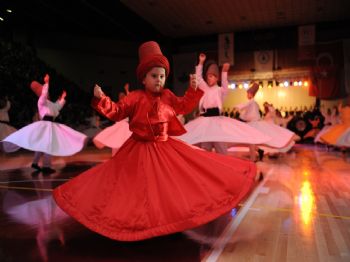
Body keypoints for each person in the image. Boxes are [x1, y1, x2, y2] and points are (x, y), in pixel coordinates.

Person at [53, 41, 258, 242]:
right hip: (139, 149)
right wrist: (102, 99)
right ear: (143, 78)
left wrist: (193, 91)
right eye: (154, 76)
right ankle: (142, 221)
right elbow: (116, 112)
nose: (159, 80)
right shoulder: (134, 98)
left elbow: (183, 106)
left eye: (162, 76)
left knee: (170, 185)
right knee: (136, 188)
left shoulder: (167, 96)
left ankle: (170, 219)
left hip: (164, 147)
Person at [178, 53, 270, 157]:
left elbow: (225, 86)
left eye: (212, 76)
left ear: (216, 78)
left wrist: (224, 72)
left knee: (220, 147)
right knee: (205, 147)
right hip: (205, 121)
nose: (209, 79)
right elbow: (199, 78)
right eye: (208, 76)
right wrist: (201, 63)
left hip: (217, 121)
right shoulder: (205, 88)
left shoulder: (219, 90)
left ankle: (224, 168)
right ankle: (207, 167)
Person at [1, 74, 87, 174]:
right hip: (45, 126)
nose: (47, 94)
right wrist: (46, 83)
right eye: (45, 92)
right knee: (48, 145)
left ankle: (35, 163)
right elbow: (44, 94)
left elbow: (57, 106)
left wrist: (62, 98)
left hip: (50, 125)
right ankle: (46, 166)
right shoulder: (41, 101)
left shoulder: (50, 104)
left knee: (42, 145)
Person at [235, 82, 297, 160]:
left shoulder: (252, 102)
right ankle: (257, 153)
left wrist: (238, 109)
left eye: (248, 93)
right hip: (254, 124)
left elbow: (247, 111)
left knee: (252, 141)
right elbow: (247, 112)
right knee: (251, 141)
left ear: (251, 94)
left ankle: (253, 158)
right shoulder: (254, 103)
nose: (247, 95)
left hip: (254, 125)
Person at [92, 83, 132, 156]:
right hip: (119, 126)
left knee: (126, 142)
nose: (121, 96)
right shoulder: (117, 105)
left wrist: (127, 90)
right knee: (116, 141)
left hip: (127, 126)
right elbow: (109, 107)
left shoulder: (128, 104)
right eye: (120, 95)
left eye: (122, 95)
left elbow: (130, 98)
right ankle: (116, 156)